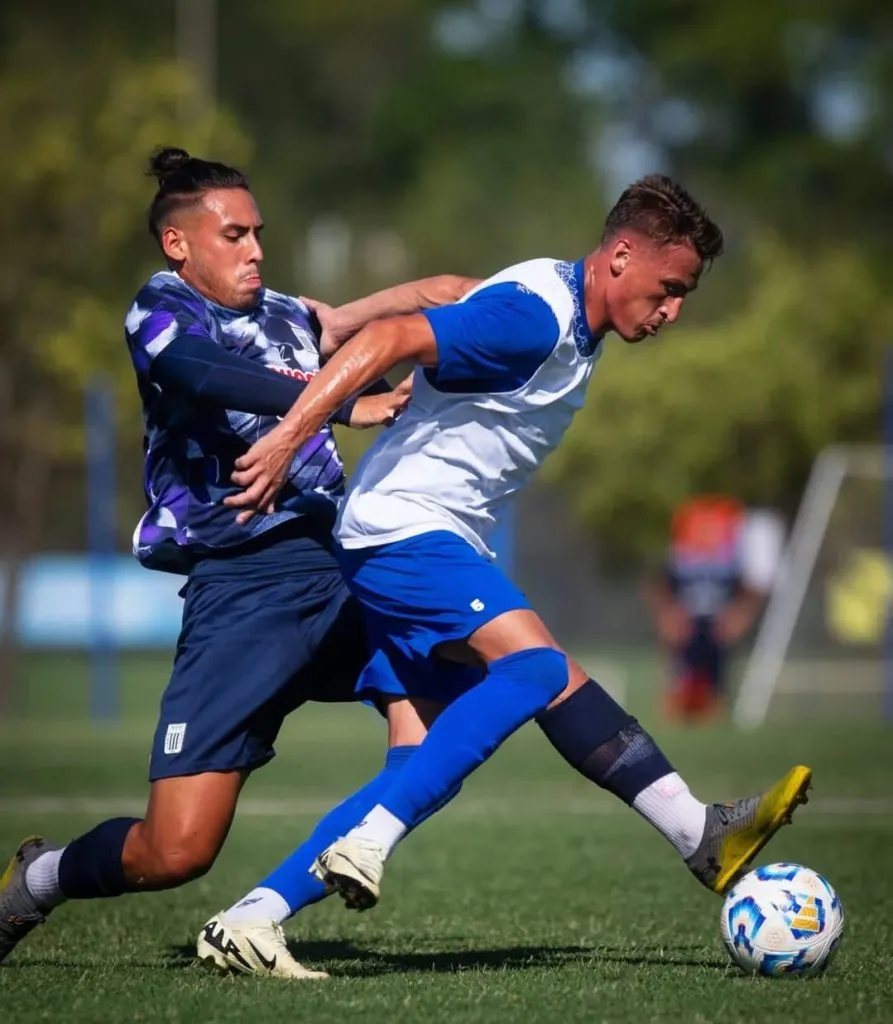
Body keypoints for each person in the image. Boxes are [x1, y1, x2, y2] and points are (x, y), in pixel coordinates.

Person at [223, 174, 812, 919]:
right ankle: (370, 841)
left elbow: (447, 291)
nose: (673, 311)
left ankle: (253, 918)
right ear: (621, 257)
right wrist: (287, 439)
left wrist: (341, 315)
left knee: (440, 751)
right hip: (404, 531)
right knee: (534, 667)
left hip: (410, 533)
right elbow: (390, 342)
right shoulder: (534, 320)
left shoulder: (549, 298)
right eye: (669, 289)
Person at [0, 147, 479, 978]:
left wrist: (448, 294)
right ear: (177, 244)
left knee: (456, 690)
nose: (255, 249)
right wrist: (338, 399)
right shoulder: (160, 312)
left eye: (258, 233)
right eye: (234, 236)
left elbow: (352, 320)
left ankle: (303, 885)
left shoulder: (286, 314)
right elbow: (208, 374)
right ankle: (40, 879)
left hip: (338, 569)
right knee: (175, 851)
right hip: (242, 590)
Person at [643, 495, 779, 721]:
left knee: (716, 685)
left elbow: (750, 591)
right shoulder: (679, 557)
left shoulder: (733, 559)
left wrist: (740, 614)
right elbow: (657, 586)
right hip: (687, 626)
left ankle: (714, 709)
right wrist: (667, 613)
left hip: (718, 627)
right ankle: (678, 709)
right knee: (679, 682)